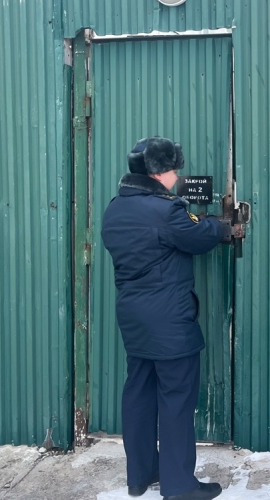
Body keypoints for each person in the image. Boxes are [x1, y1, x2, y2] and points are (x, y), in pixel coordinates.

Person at [101, 136, 231, 500]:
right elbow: (198, 237)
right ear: (158, 172)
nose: (177, 177)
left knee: (139, 394)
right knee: (176, 400)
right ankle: (179, 485)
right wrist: (220, 227)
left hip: (134, 318)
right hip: (170, 321)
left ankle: (141, 475)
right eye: (175, 170)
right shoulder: (165, 210)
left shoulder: (115, 209)